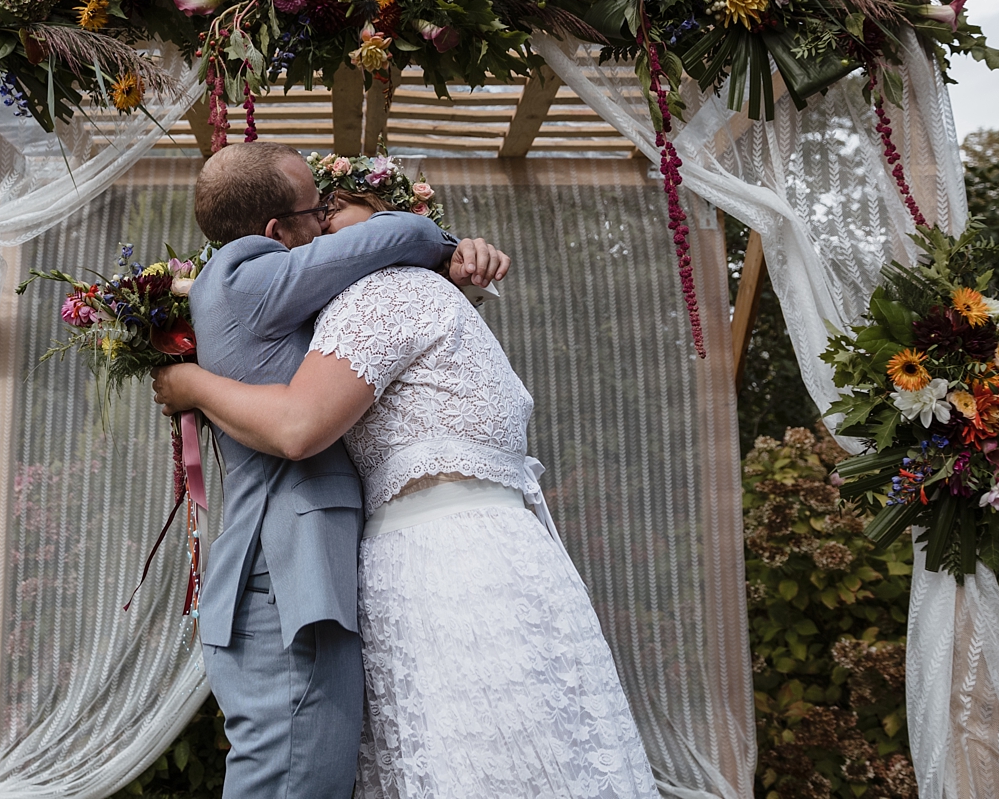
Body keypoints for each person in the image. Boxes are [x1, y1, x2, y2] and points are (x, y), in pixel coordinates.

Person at [155, 189, 660, 799]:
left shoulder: (379, 293)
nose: (320, 234)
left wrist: (194, 384)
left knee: (474, 752)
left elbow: (297, 427)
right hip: (503, 549)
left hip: (441, 562)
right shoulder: (431, 297)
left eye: (334, 217)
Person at [183, 141, 510, 799]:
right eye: (318, 210)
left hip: (295, 574)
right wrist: (440, 240)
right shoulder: (245, 272)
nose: (325, 224)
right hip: (284, 580)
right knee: (294, 779)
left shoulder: (271, 298)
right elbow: (405, 231)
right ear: (276, 232)